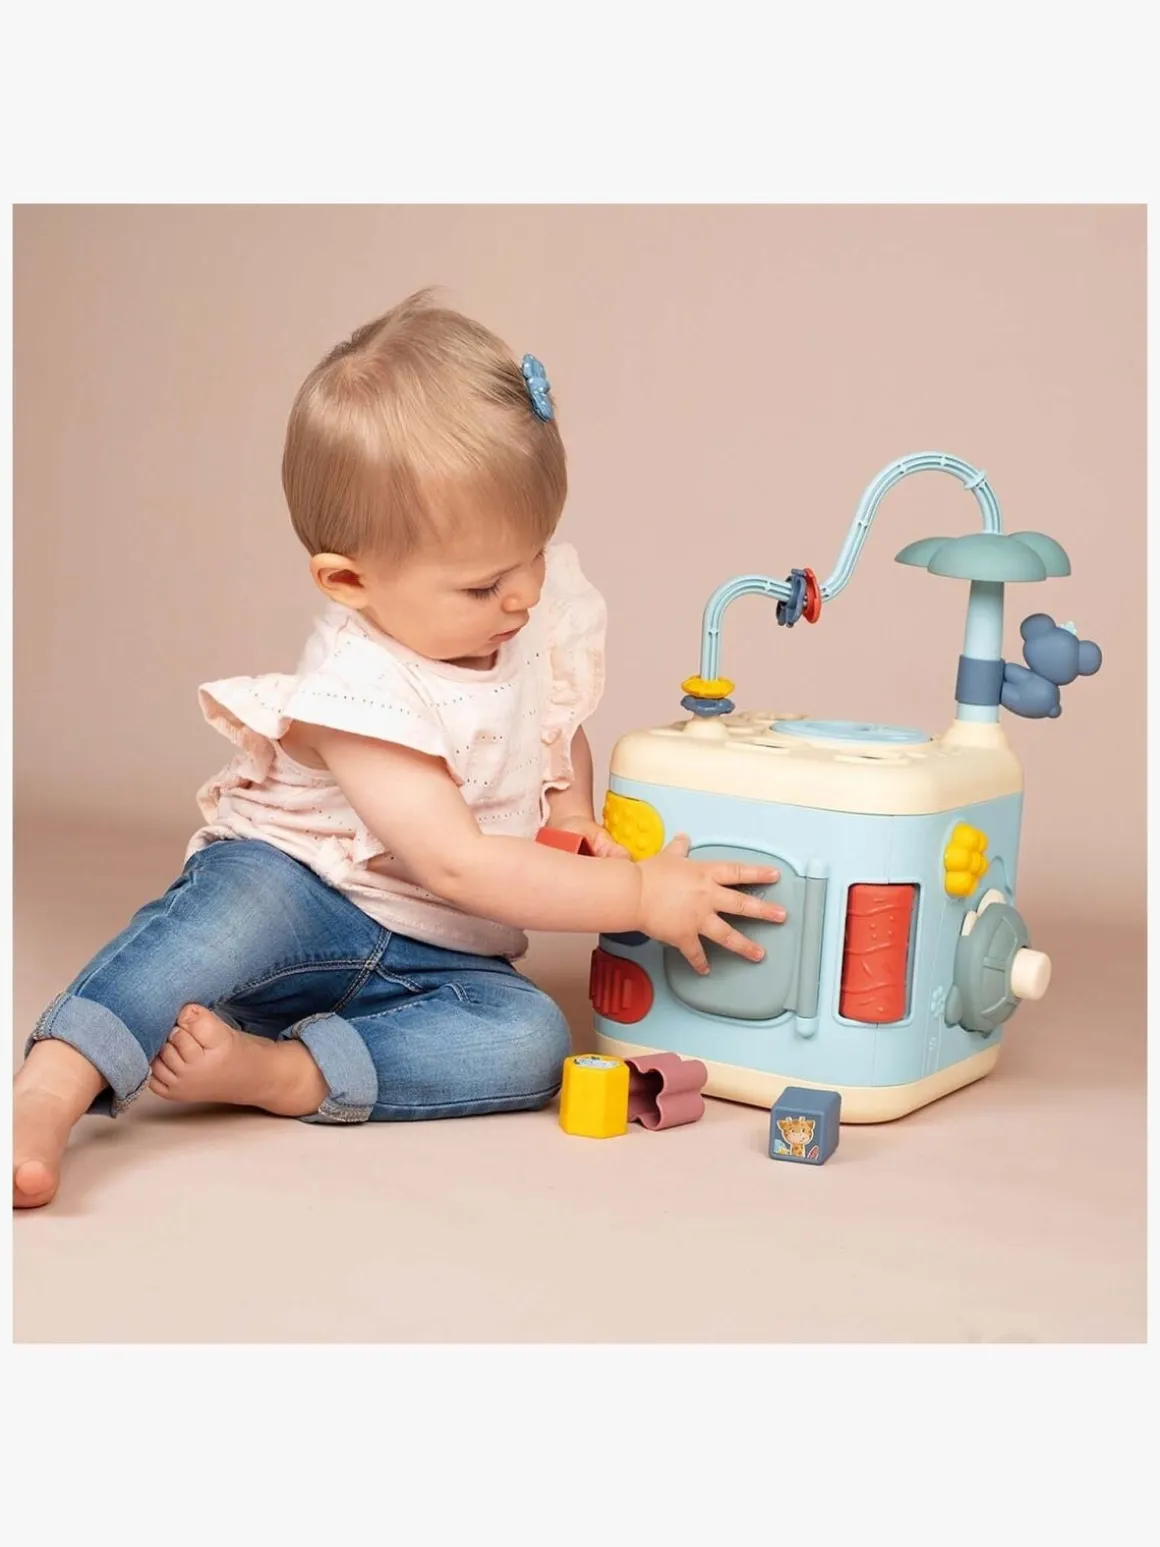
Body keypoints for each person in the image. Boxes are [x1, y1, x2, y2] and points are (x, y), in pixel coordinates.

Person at [13, 290, 785, 1209]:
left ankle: (289, 1073)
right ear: (351, 580)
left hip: (442, 951)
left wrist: (571, 808)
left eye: (536, 553)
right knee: (213, 926)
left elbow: (555, 722)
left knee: (530, 1038)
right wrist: (639, 894)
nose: (522, 595)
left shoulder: (528, 615)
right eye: (484, 584)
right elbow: (456, 863)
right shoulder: (359, 685)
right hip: (302, 898)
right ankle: (53, 1084)